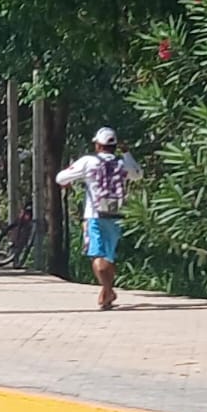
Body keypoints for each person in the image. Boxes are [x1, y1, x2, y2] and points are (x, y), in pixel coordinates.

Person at [57, 127, 142, 311]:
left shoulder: (88, 161)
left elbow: (61, 177)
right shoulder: (122, 163)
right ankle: (108, 294)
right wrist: (126, 152)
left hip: (94, 215)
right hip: (117, 216)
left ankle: (107, 290)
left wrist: (70, 181)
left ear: (97, 145)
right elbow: (137, 174)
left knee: (98, 255)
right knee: (108, 257)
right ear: (114, 146)